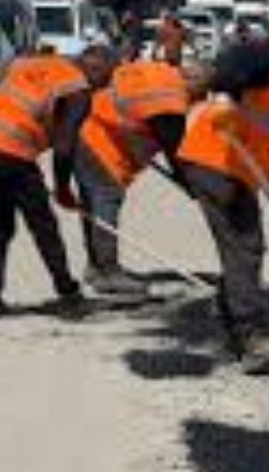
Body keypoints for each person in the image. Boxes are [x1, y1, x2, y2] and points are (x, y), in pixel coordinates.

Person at [176, 36, 269, 374]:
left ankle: (236, 337)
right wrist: (224, 98)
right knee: (244, 248)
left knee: (241, 248)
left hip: (233, 169)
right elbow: (230, 63)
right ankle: (251, 338)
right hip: (216, 160)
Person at [0, 43, 116, 320]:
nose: (102, 88)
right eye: (105, 80)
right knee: (44, 225)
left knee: (0, 225)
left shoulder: (46, 63)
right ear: (97, 68)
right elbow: (64, 147)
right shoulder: (79, 90)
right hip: (11, 148)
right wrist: (62, 188)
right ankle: (68, 295)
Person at [74, 54, 197, 296]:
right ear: (194, 80)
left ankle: (97, 267)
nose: (200, 99)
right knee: (105, 201)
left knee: (94, 205)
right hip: (99, 141)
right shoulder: (168, 100)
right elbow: (175, 149)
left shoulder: (163, 75)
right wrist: (193, 186)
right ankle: (107, 272)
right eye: (202, 92)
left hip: (87, 129)